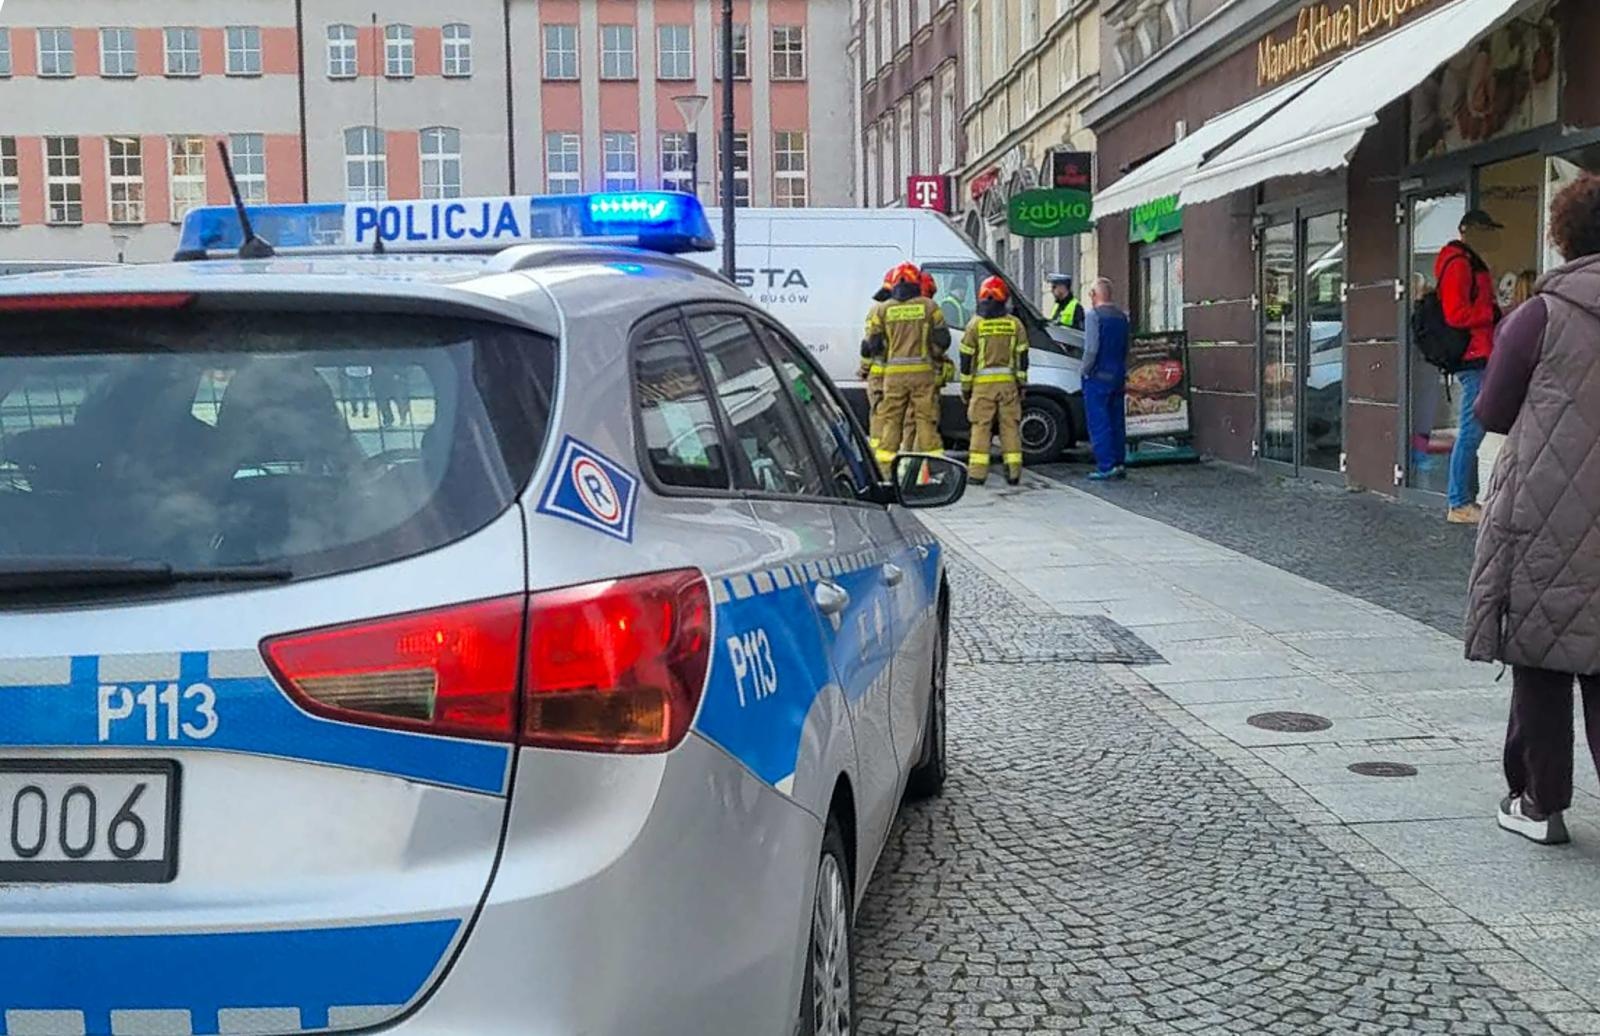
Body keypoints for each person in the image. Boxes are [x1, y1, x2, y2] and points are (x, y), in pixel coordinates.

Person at [1466, 173, 1600, 847]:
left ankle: (1541, 804)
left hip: (1551, 509)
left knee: (1544, 656)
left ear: (1560, 239)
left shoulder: (1538, 317)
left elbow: (1490, 410)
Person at [1437, 209, 1503, 524]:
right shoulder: (1460, 263)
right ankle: (1459, 501)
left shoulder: (1466, 260)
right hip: (1472, 355)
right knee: (1471, 431)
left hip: (1478, 353)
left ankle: (1464, 499)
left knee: (1472, 430)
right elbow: (1456, 314)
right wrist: (1491, 312)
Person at [863, 262, 950, 474]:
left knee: (892, 422)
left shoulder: (882, 309)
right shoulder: (930, 307)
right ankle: (933, 471)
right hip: (923, 375)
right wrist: (934, 354)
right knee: (926, 422)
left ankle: (885, 471)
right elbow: (943, 339)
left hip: (893, 376)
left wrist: (886, 357)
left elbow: (872, 345)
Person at [959, 277, 1028, 485]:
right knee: (1010, 427)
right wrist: (1022, 384)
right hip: (1008, 386)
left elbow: (966, 359)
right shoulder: (1015, 324)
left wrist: (966, 387)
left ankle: (977, 474)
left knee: (981, 427)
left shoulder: (975, 325)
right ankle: (1014, 472)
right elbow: (1022, 358)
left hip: (982, 387)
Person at [1081, 277, 1129, 481]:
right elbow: (1126, 346)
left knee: (1099, 421)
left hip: (1098, 376)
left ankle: (1106, 466)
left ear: (1094, 295)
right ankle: (1119, 462)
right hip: (1118, 374)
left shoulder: (1094, 316)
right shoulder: (1122, 316)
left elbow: (1091, 349)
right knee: (1116, 420)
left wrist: (1084, 370)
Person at [858, 269, 896, 454]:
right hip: (897, 376)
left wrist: (864, 369)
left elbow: (868, 345)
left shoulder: (875, 310)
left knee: (878, 417)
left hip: (877, 374)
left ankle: (878, 461)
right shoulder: (900, 310)